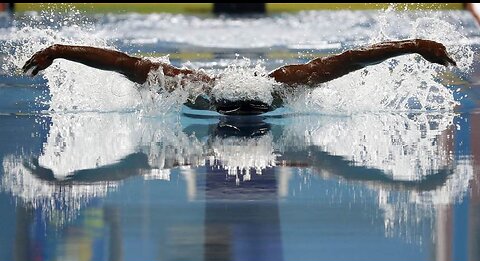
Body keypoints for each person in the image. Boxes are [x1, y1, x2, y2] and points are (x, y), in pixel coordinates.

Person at [22, 39, 456, 115]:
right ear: (219, 103)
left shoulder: (288, 84)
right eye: (240, 110)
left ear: (270, 99)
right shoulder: (195, 91)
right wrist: (59, 52)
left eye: (251, 110)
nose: (246, 117)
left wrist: (414, 45)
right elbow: (124, 64)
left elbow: (351, 61)